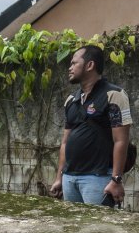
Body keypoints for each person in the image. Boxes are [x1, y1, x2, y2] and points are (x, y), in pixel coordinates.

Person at [48, 45, 132, 206]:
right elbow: (65, 142)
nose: (70, 67)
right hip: (69, 178)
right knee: (73, 228)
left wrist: (116, 180)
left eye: (74, 63)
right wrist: (59, 177)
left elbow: (121, 140)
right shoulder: (71, 100)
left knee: (97, 229)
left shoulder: (114, 95)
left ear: (90, 65)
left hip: (97, 178)